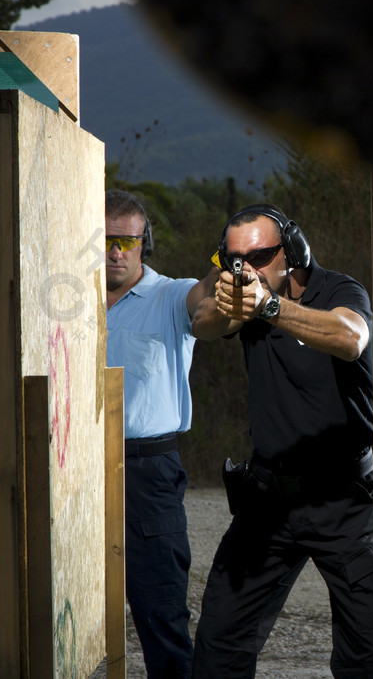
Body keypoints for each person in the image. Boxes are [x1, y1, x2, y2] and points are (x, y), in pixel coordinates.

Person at [190, 204, 373, 678]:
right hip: (268, 499)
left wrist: (270, 308)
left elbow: (350, 336)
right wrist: (232, 303)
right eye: (233, 259)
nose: (244, 269)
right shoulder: (244, 295)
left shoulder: (338, 289)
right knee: (218, 646)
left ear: (292, 252)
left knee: (369, 653)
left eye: (258, 256)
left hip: (345, 501)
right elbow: (206, 321)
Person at [105, 189, 215, 678]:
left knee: (161, 609)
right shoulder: (62, 295)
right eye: (106, 239)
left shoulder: (172, 294)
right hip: (71, 463)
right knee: (68, 601)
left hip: (147, 470)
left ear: (143, 243)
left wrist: (225, 275)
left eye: (126, 241)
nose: (115, 251)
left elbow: (206, 302)